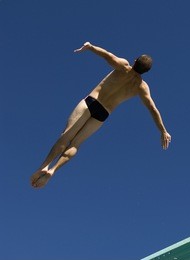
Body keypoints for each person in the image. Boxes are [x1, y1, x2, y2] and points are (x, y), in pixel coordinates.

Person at [30, 42, 172, 189]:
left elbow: (108, 56)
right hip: (103, 113)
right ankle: (53, 170)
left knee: (66, 136)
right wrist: (163, 130)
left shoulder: (124, 66)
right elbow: (152, 108)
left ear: (135, 60)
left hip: (92, 102)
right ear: (145, 72)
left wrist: (90, 47)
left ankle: (45, 166)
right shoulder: (141, 87)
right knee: (75, 144)